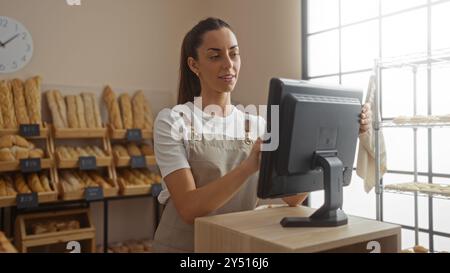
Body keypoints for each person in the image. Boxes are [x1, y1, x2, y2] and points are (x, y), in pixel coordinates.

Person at [152, 17, 372, 253]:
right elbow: (188, 208)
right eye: (215, 56)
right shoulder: (173, 121)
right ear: (194, 65)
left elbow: (293, 197)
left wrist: (337, 138)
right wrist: (248, 167)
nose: (228, 64)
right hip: (185, 248)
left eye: (234, 54)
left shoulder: (256, 124)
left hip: (237, 247)